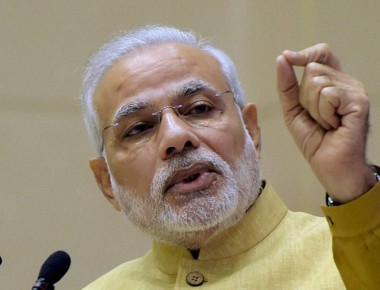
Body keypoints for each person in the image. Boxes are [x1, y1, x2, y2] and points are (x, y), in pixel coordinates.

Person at [81, 25, 380, 289]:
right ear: (106, 181)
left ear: (251, 129)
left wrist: (353, 186)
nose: (175, 137)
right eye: (140, 128)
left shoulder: (346, 259)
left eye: (199, 109)